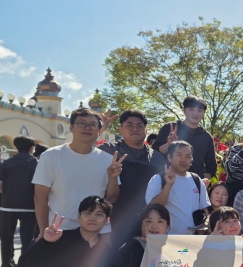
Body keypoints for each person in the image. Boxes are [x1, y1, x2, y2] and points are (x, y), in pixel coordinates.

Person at [33, 107, 125, 237]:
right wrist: (43, 231)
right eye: (81, 123)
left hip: (98, 231)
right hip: (60, 229)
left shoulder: (108, 160)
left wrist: (112, 177)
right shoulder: (51, 156)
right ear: (71, 127)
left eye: (93, 125)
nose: (87, 128)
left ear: (99, 130)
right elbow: (40, 197)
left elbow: (112, 198)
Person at [98, 109, 164, 249]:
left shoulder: (157, 158)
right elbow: (84, 148)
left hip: (147, 222)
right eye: (129, 125)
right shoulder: (109, 150)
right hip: (115, 222)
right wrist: (100, 130)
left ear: (146, 130)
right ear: (121, 129)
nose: (135, 129)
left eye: (139, 125)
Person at [145, 141, 210, 235]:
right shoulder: (158, 179)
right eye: (179, 155)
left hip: (192, 240)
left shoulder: (196, 180)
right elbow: (153, 208)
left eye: (188, 156)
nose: (184, 160)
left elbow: (204, 208)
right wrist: (168, 186)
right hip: (165, 239)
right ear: (169, 158)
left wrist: (205, 222)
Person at [152, 96, 216, 186]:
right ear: (184, 110)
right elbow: (156, 153)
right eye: (191, 109)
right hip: (168, 181)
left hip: (193, 185)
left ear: (204, 113)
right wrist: (168, 144)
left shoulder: (206, 137)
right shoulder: (170, 128)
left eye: (199, 110)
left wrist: (205, 181)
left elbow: (211, 164)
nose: (195, 113)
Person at [0, 136, 37, 267]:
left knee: (6, 238)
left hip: (7, 206)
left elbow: (0, 186)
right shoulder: (37, 164)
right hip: (30, 207)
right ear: (31, 148)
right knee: (27, 240)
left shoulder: (6, 163)